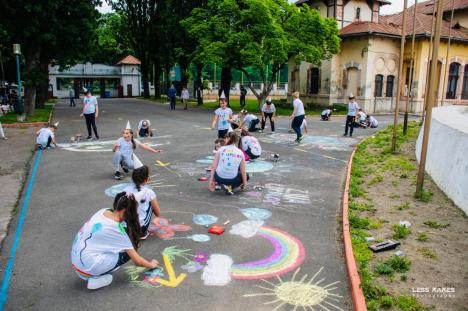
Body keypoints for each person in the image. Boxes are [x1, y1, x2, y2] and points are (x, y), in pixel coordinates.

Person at [71, 192, 159, 290]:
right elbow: (137, 261)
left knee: (121, 242)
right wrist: (151, 265)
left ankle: (96, 270)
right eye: (133, 212)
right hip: (87, 267)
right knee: (127, 253)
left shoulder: (103, 211)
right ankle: (97, 279)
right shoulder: (116, 230)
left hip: (76, 260)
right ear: (126, 211)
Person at [124, 166, 161, 239]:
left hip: (125, 228)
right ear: (146, 179)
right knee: (151, 203)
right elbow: (158, 213)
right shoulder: (149, 192)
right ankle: (143, 234)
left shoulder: (125, 190)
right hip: (140, 230)